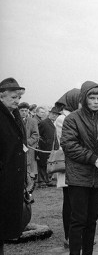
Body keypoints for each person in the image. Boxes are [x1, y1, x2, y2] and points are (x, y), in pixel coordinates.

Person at [61, 81, 98, 255]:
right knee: (78, 220)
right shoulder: (73, 118)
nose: (96, 101)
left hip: (97, 178)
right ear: (84, 99)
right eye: (92, 98)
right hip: (79, 177)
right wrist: (94, 159)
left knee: (92, 219)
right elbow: (69, 145)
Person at [0, 78, 27, 253]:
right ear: (1, 96)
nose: (17, 101)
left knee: (4, 227)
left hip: (11, 179)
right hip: (3, 178)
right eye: (13, 97)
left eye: (18, 97)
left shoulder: (14, 115)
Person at [54, 88, 81, 249]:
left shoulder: (75, 116)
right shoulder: (62, 119)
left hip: (79, 165)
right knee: (70, 203)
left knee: (79, 203)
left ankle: (78, 236)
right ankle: (69, 237)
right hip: (69, 163)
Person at [37, 106, 61, 187]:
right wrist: (43, 143)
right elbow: (38, 136)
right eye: (53, 113)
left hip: (53, 148)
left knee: (51, 164)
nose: (54, 115)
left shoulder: (56, 123)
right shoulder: (43, 123)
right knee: (42, 164)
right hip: (44, 148)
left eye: (56, 114)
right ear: (49, 113)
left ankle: (48, 180)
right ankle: (41, 181)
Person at [19, 102, 39, 184]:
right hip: (18, 148)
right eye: (22, 110)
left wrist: (27, 142)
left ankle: (30, 183)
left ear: (28, 111)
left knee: (30, 166)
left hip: (29, 148)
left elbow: (36, 134)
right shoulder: (14, 120)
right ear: (18, 111)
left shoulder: (33, 121)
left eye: (25, 110)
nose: (24, 112)